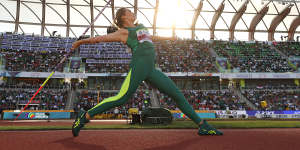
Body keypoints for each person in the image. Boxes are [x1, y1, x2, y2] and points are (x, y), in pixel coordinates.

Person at [71, 8, 223, 137]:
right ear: (124, 17)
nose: (133, 13)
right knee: (121, 98)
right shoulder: (124, 32)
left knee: (177, 94)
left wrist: (168, 37)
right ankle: (84, 116)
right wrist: (80, 42)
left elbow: (151, 38)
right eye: (129, 12)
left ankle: (202, 125)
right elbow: (100, 39)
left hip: (150, 69)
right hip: (139, 66)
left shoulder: (141, 27)